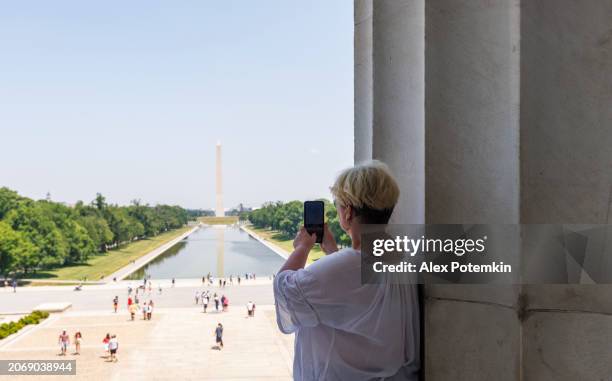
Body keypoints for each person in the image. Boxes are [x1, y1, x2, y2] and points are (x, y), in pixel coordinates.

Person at [273, 161, 420, 380]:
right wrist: (333, 252)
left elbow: (285, 291)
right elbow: (353, 292)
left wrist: (302, 248)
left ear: (348, 212)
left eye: (338, 204)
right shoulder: (400, 259)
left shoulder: (347, 266)